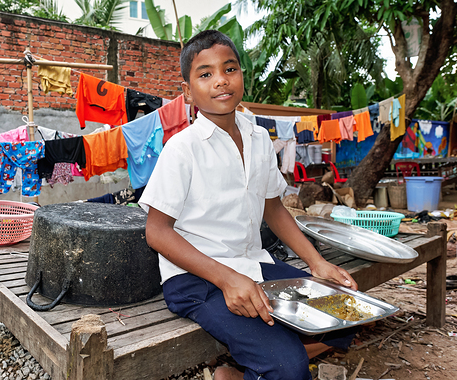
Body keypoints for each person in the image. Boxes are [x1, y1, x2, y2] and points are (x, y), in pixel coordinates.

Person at [139, 30, 358, 380]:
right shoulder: (182, 149)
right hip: (196, 280)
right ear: (187, 91)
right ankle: (271, 366)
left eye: (230, 69)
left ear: (242, 74)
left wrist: (317, 264)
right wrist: (227, 279)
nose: (221, 81)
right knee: (289, 367)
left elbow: (274, 208)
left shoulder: (258, 137)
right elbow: (157, 232)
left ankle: (242, 374)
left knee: (345, 312)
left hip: (253, 265)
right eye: (205, 74)